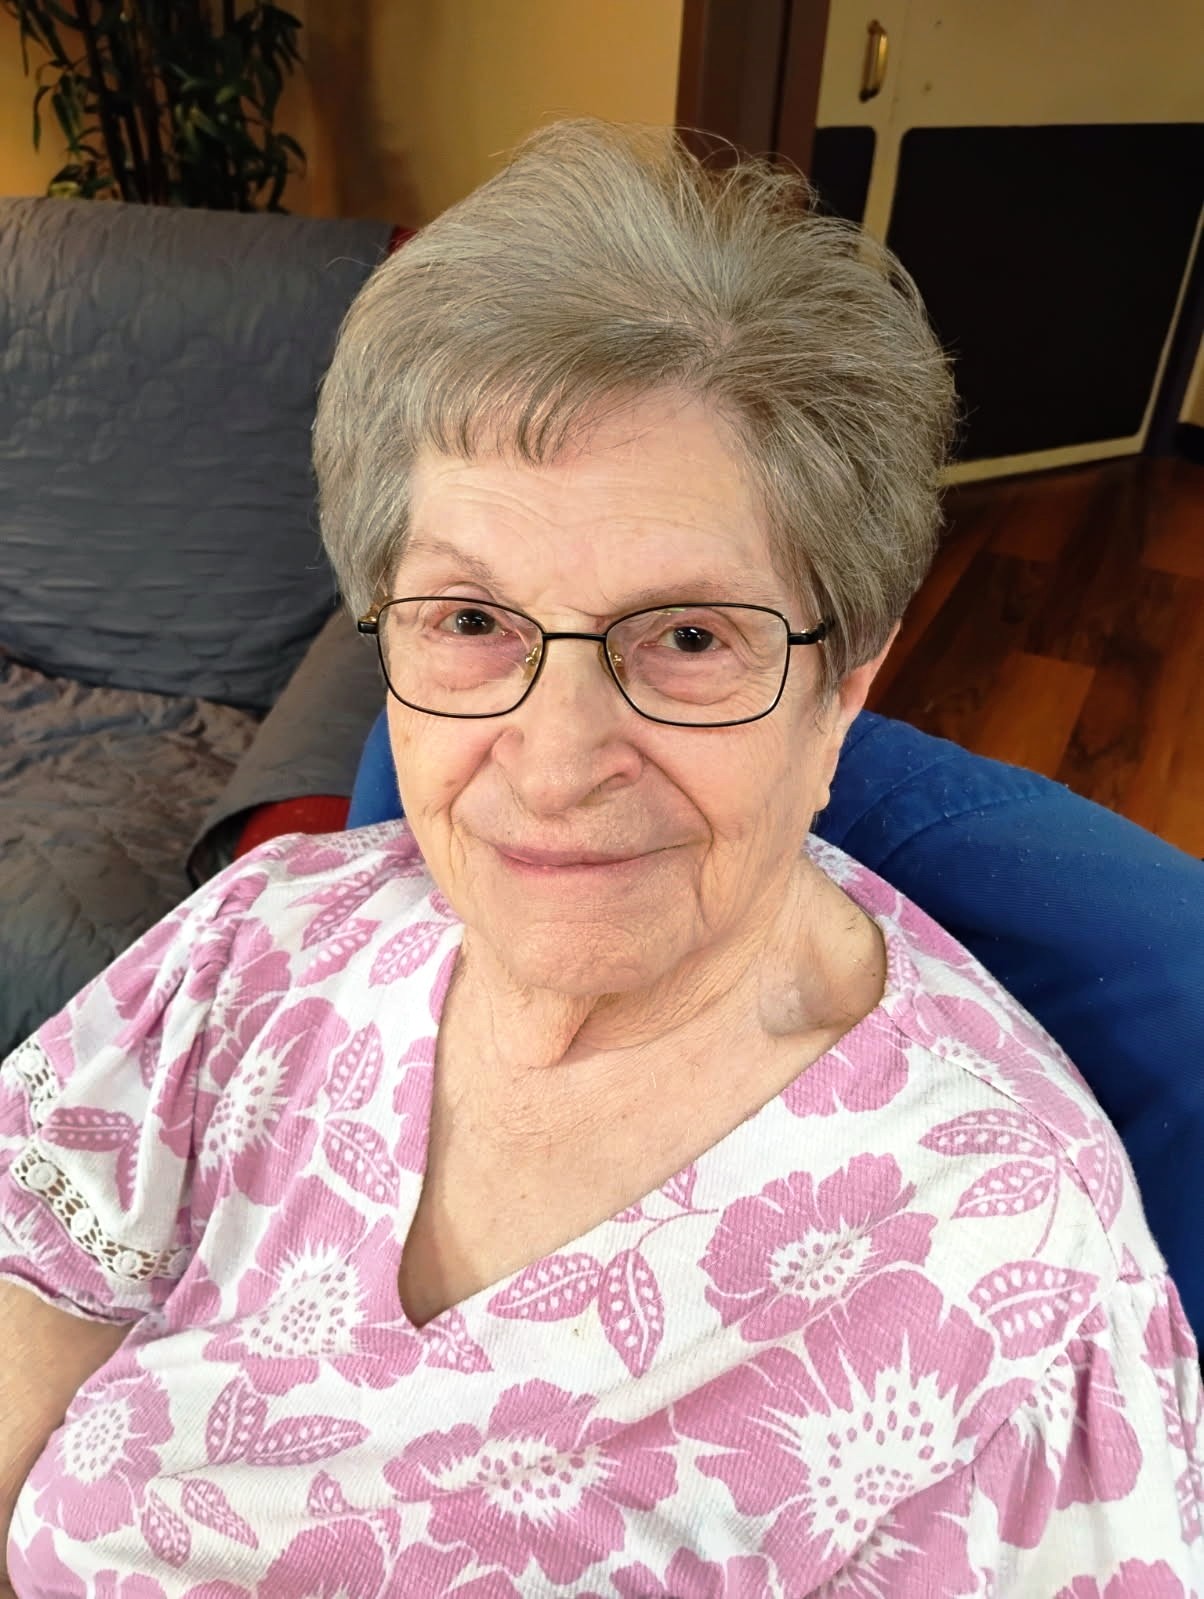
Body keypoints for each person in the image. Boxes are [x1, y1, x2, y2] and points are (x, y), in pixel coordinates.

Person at [2, 120, 1200, 1598]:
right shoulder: (262, 940)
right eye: (470, 620)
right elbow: (33, 1283)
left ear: (845, 684)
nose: (556, 761)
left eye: (688, 636)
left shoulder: (1009, 1287)